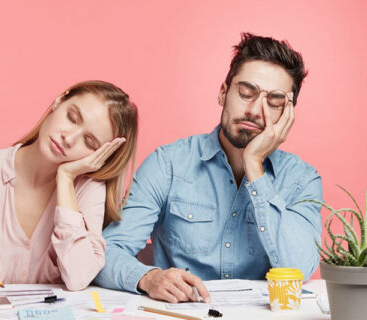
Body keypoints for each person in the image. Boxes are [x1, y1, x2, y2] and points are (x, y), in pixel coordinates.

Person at [95, 33, 323, 303]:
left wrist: (255, 167)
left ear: (288, 114)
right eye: (246, 92)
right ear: (223, 92)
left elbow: (299, 269)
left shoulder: (302, 180)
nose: (255, 110)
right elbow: (106, 252)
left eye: (274, 101)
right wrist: (148, 278)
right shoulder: (167, 164)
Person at [0, 80, 138, 296]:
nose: (68, 138)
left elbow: (79, 277)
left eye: (89, 142)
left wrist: (66, 178)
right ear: (59, 101)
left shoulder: (88, 190)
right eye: (72, 117)